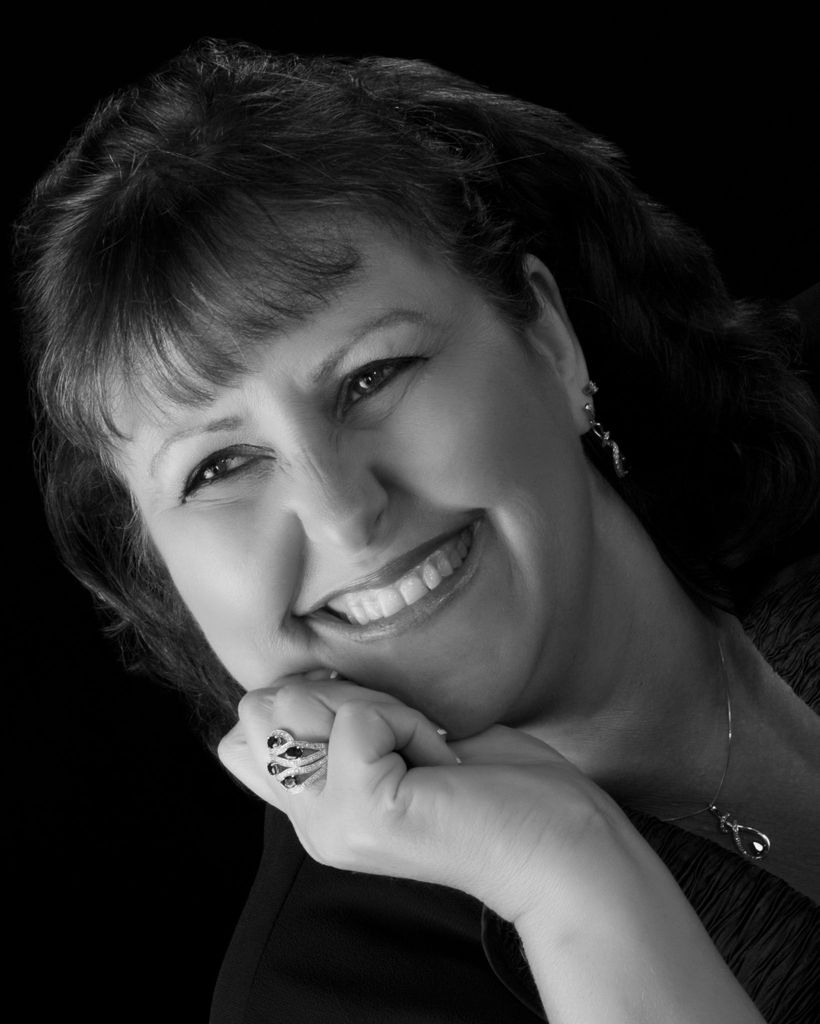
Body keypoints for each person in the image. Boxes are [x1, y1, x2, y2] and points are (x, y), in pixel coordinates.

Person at [17, 39, 819, 1022]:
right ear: (162, 570)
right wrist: (565, 876)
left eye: (372, 376)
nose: (342, 513)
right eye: (217, 467)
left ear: (547, 338)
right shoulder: (329, 995)